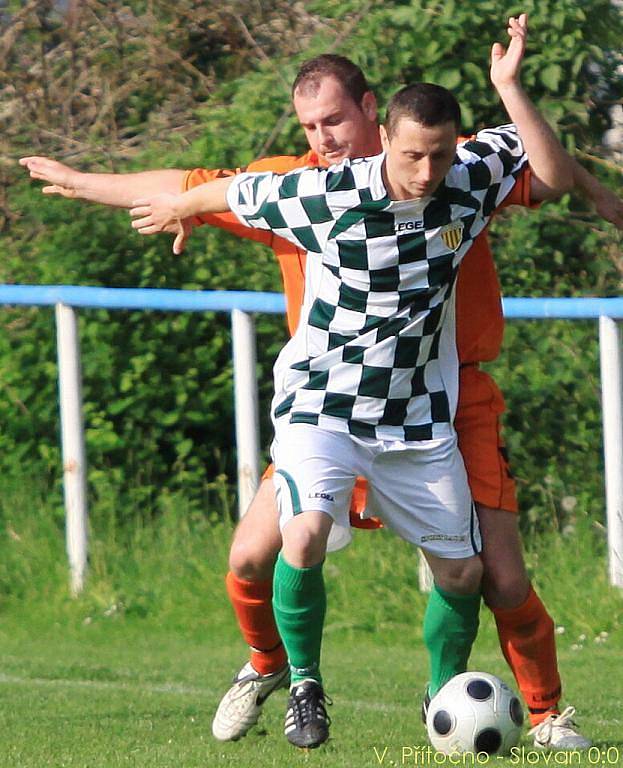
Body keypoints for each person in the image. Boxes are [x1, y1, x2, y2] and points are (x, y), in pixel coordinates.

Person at [20, 37, 622, 754]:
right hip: (327, 405)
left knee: (490, 573)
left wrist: (598, 194)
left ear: (374, 112)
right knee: (255, 555)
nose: (322, 138)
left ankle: (543, 711)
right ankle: (278, 671)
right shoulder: (308, 188)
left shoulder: (449, 161)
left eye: (333, 121)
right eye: (308, 127)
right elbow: (196, 182)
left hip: (442, 401)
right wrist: (88, 183)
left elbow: (538, 160)